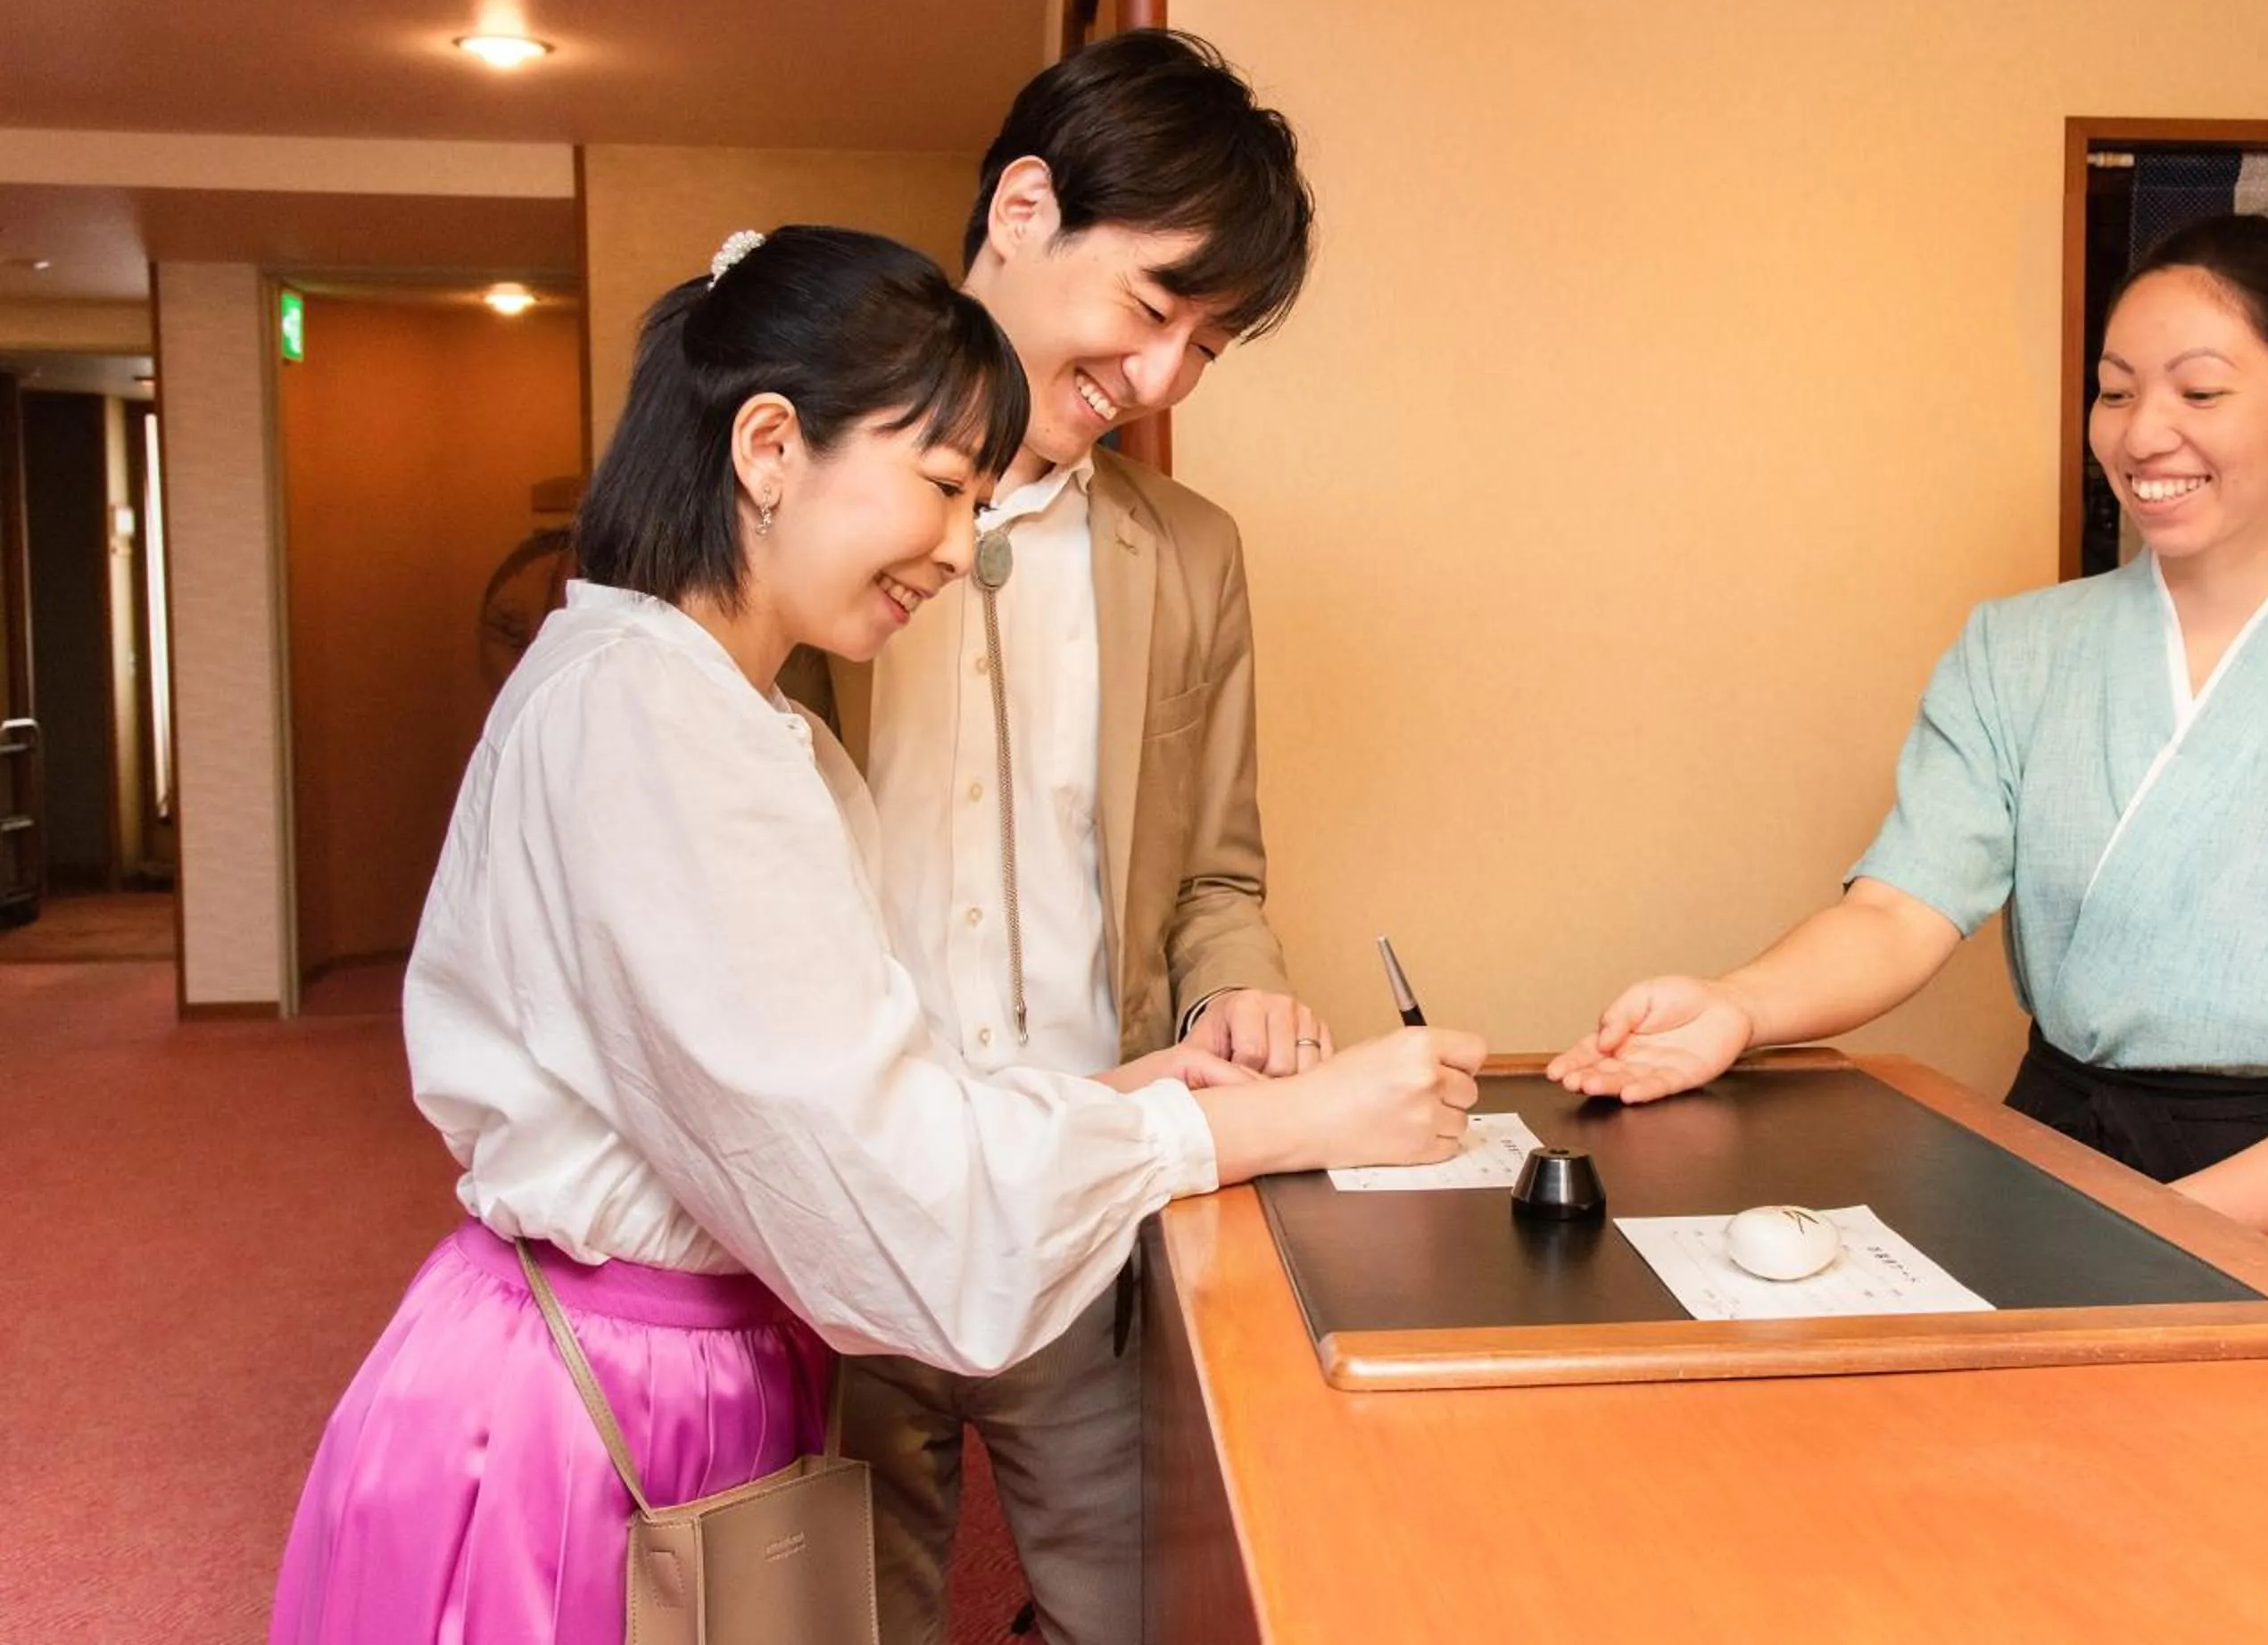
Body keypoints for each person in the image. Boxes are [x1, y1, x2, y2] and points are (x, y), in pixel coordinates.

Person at [269, 227, 1483, 1645]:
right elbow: (895, 1220)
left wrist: (1122, 1093)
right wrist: (1262, 1130)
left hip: (693, 1366)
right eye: (947, 488)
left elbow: (852, 1085)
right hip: (585, 1413)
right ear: (771, 447)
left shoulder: (741, 718)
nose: (965, 550)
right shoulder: (652, 724)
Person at [1549, 212, 2268, 1318]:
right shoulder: (2019, 648)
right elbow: (1902, 911)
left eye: (2200, 393)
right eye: (2114, 388)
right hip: (2058, 1167)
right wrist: (1735, 1005)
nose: (2144, 433)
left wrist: (2162, 1221)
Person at [842, 30, 1324, 1645]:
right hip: (833, 1218)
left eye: (1212, 346)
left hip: (1078, 1195)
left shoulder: (1190, 558)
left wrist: (1235, 994)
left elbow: (1218, 872)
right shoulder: (798, 502)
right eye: (1152, 310)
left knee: (1136, 1609)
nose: (1169, 380)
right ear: (1027, 208)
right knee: (829, 1612)